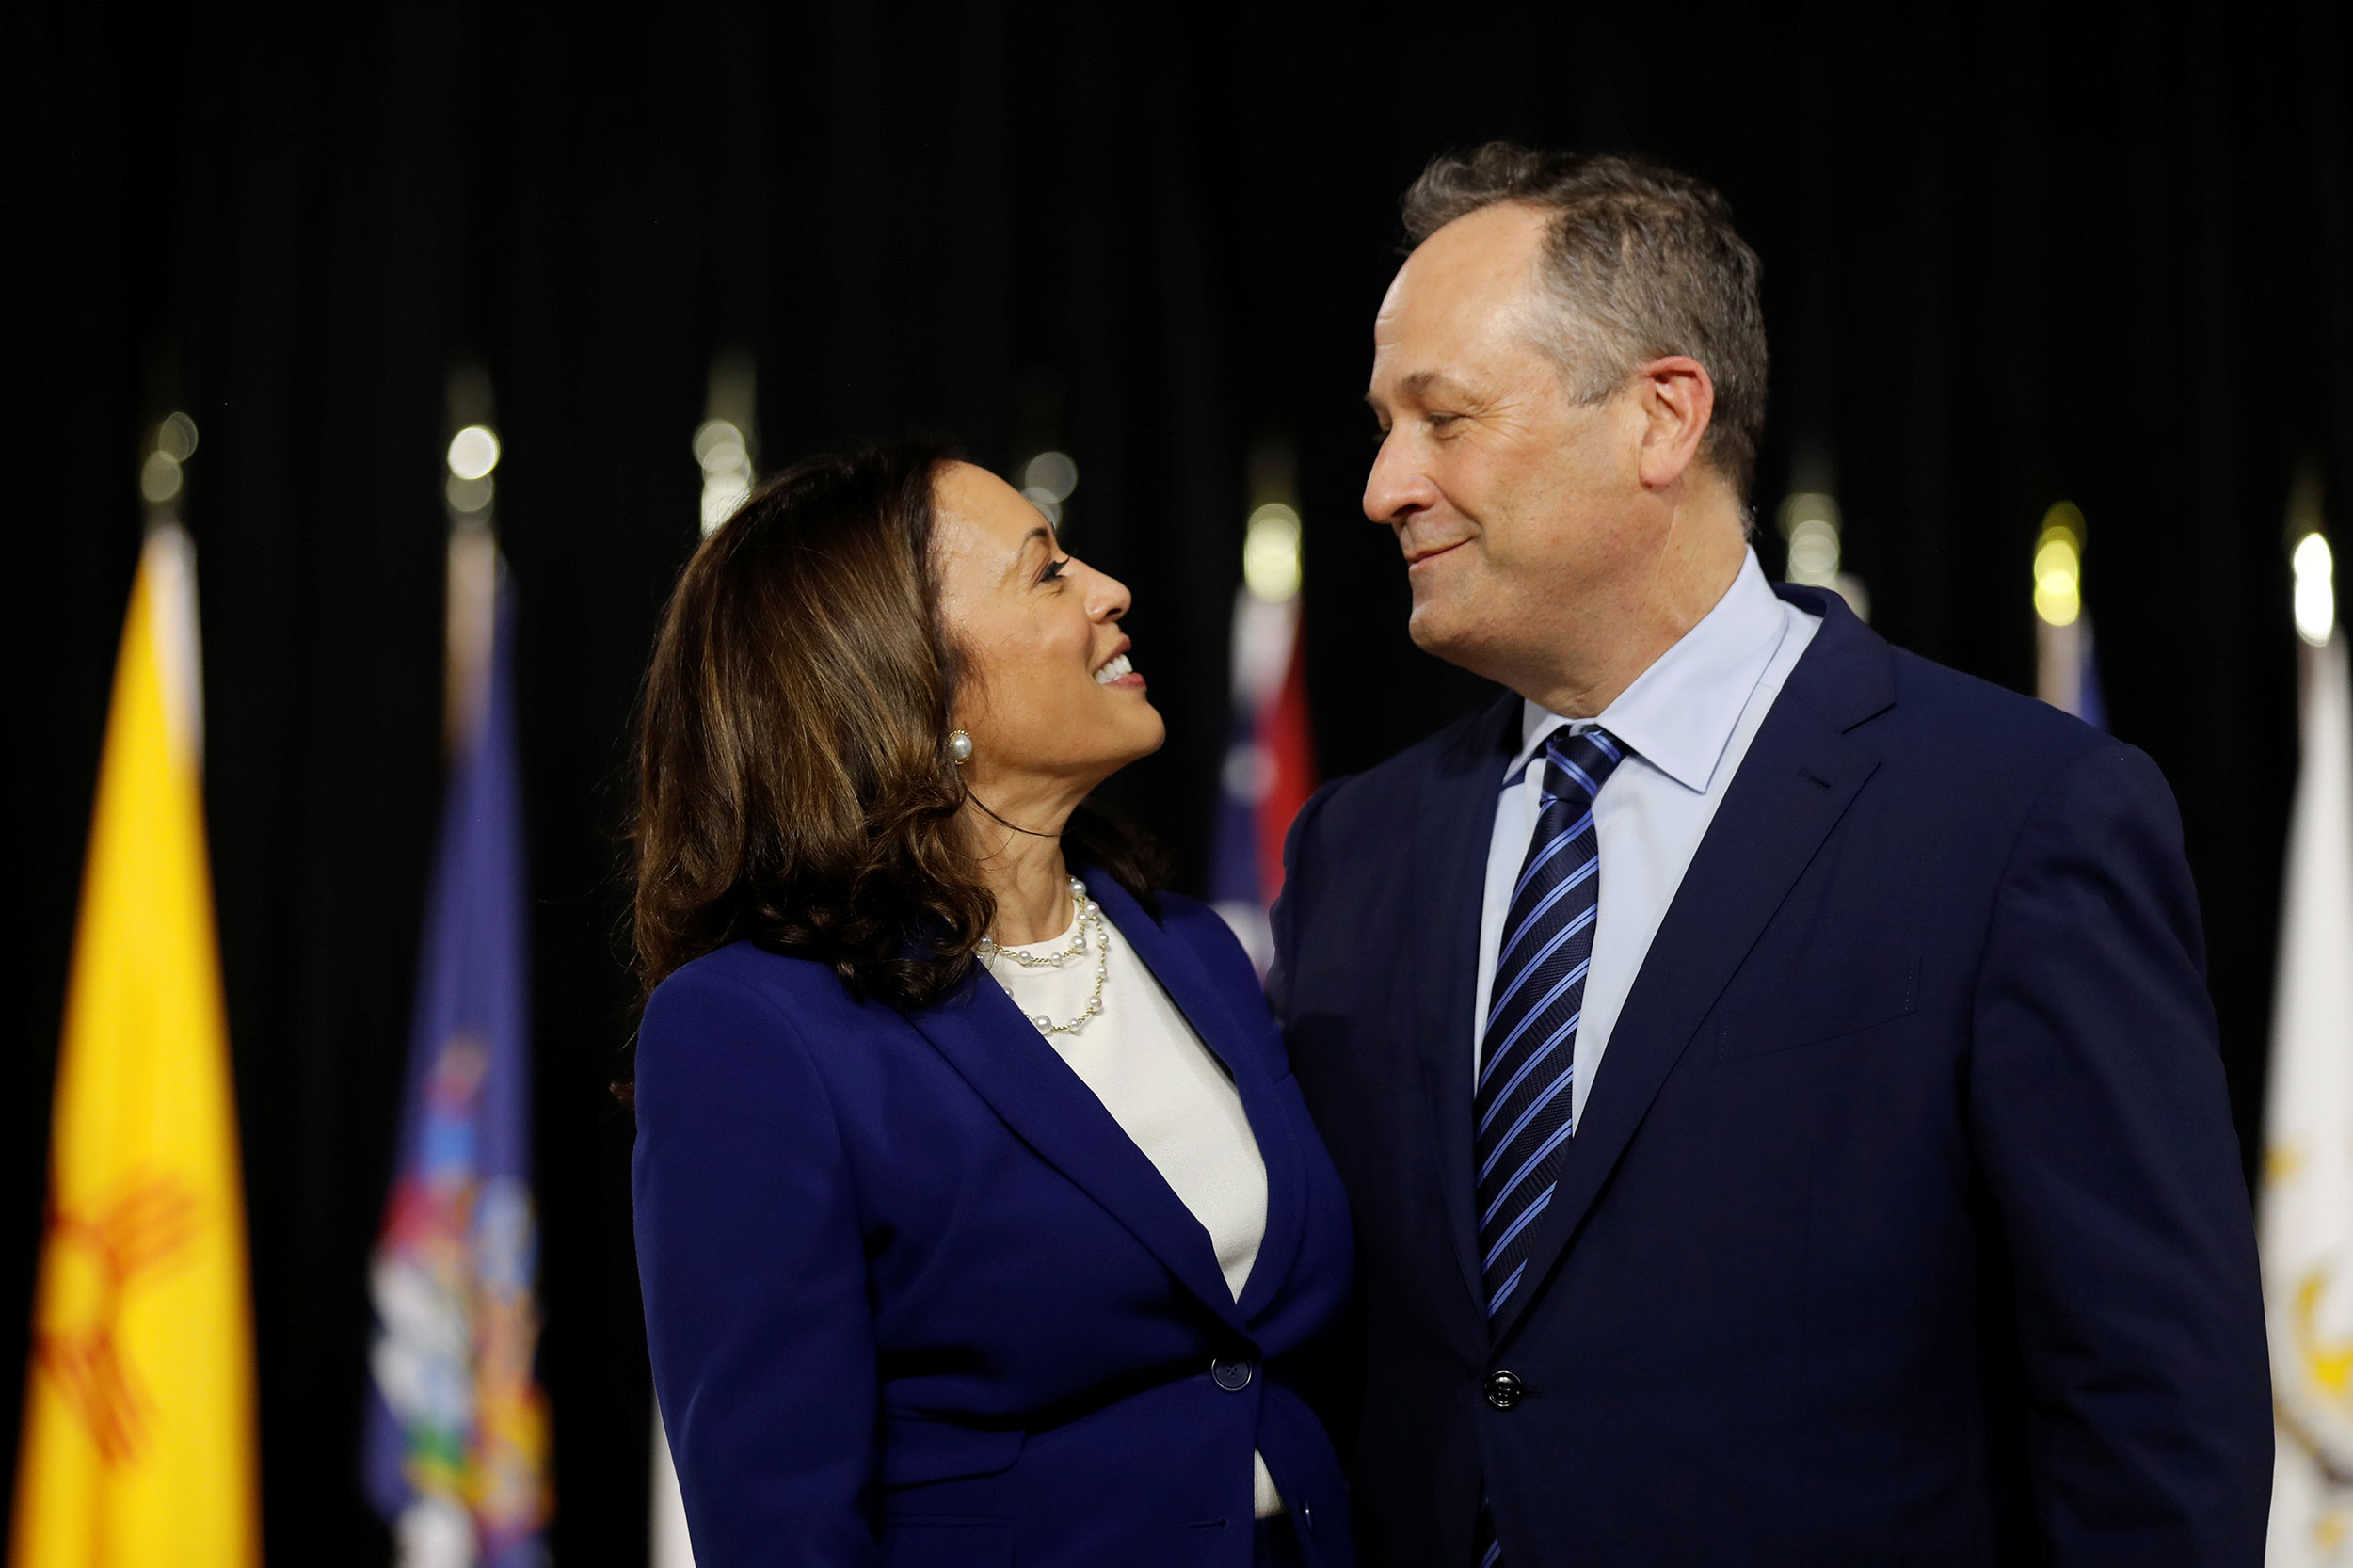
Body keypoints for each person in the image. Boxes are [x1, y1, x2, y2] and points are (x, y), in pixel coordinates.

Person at [1272, 143, 2271, 1565]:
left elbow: (2156, 1415)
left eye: (1444, 418)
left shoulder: (2015, 815)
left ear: (1663, 417)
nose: (1382, 486)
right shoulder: (1357, 847)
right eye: (1384, 426)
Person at [629, 441, 1355, 1568]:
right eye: (1048, 571)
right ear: (908, 676)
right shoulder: (752, 1030)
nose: (1109, 590)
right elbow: (780, 1524)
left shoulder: (1196, 950)